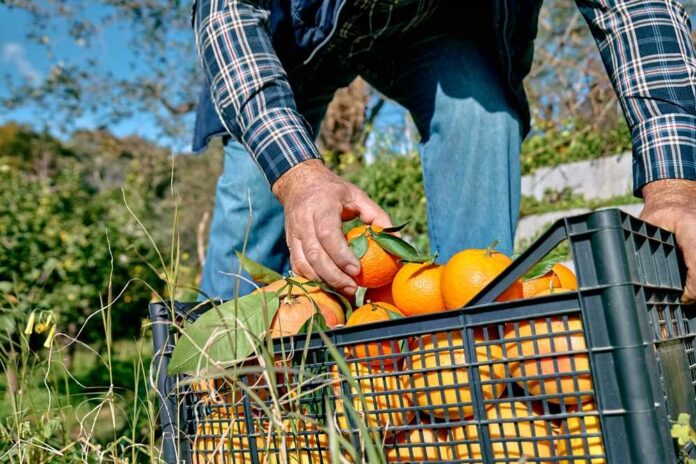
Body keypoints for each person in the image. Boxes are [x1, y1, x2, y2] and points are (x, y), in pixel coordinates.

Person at [192, 1, 696, 305]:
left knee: (482, 116)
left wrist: (675, 189)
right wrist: (298, 176)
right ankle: (211, 392)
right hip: (295, 32)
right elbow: (225, 13)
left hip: (433, 22)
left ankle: (467, 355)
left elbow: (637, 11)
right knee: (253, 188)